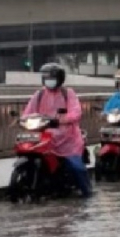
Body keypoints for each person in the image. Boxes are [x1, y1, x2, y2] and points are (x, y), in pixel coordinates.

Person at [22, 63, 92, 198]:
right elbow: (28, 112)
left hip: (68, 139)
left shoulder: (68, 94)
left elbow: (76, 113)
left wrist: (60, 120)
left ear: (60, 78)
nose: (49, 80)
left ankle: (87, 193)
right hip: (45, 137)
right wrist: (23, 120)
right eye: (46, 77)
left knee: (76, 167)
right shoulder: (39, 94)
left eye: (52, 77)